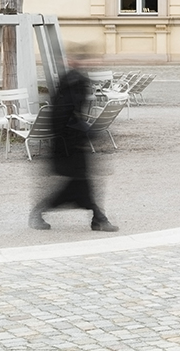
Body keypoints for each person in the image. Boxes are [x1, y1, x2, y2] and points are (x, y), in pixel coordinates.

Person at [30, 60, 117, 232]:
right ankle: (98, 218)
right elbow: (64, 117)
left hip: (70, 145)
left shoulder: (71, 83)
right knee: (79, 184)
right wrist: (84, 132)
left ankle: (97, 217)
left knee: (80, 184)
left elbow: (67, 115)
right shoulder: (73, 84)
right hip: (69, 147)